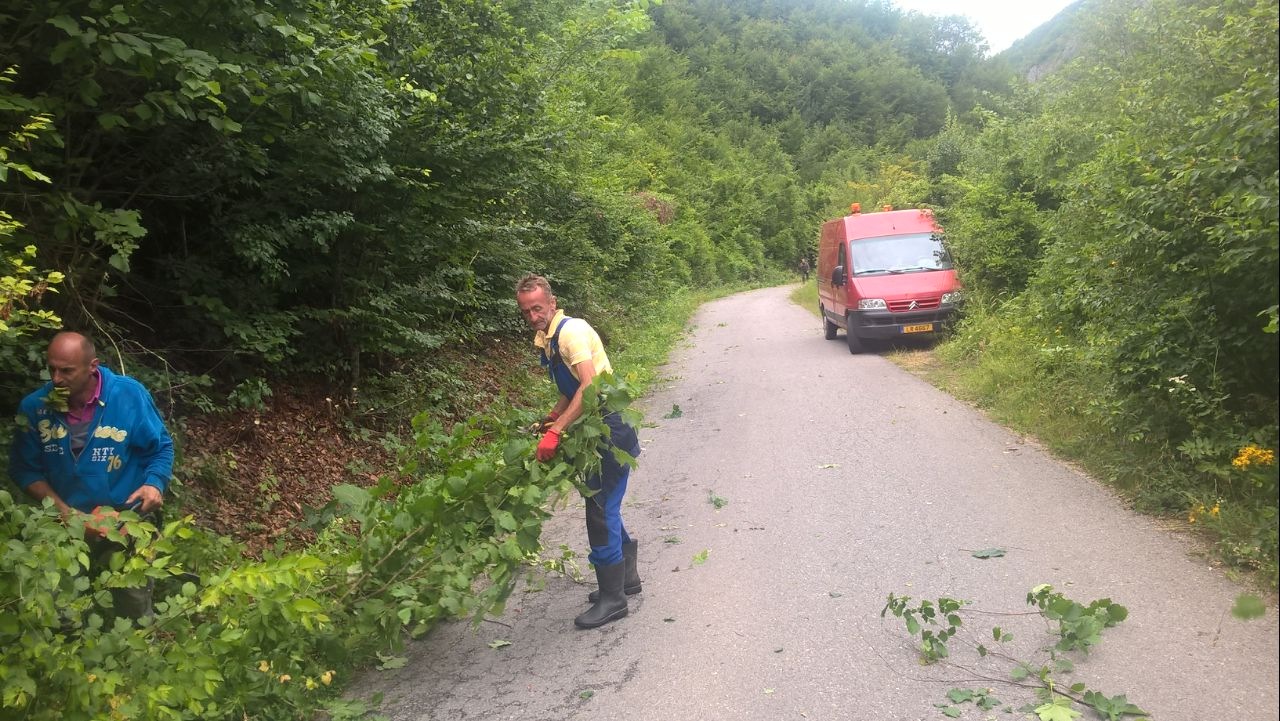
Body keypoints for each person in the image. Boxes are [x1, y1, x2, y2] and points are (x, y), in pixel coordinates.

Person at [9, 331, 174, 620]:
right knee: (57, 611)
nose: (57, 379)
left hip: (125, 520)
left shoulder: (127, 395)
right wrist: (70, 517)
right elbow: (24, 470)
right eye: (52, 370)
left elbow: (160, 447)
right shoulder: (36, 407)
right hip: (63, 523)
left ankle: (136, 654)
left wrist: (153, 484)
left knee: (132, 606)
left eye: (67, 371)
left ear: (92, 366)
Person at [515, 274, 642, 629]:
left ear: (552, 303)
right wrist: (554, 415)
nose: (532, 316)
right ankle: (626, 580)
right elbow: (569, 389)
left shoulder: (570, 333)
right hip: (592, 428)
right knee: (606, 505)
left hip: (610, 429)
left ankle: (613, 599)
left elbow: (589, 385)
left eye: (538, 308)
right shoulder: (547, 338)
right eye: (526, 311)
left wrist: (556, 431)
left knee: (600, 509)